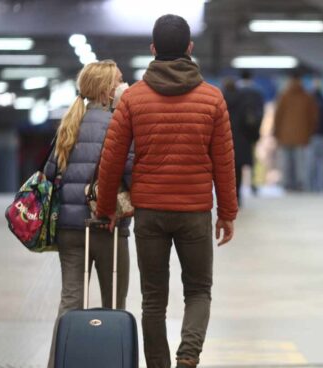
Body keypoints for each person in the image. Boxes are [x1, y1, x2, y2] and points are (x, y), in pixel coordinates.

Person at [94, 15, 238, 368]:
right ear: (190, 49)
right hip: (194, 212)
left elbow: (111, 160)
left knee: (153, 300)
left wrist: (106, 206)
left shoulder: (133, 100)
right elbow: (224, 162)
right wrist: (228, 213)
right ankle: (188, 357)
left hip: (150, 213)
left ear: (153, 49)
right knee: (198, 291)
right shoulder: (212, 99)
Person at [43, 60, 132, 368]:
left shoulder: (69, 122)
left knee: (69, 302)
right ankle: (112, 360)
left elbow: (50, 174)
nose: (125, 86)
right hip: (109, 227)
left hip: (70, 229)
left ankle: (60, 362)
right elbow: (131, 171)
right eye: (120, 81)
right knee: (114, 304)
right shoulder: (120, 124)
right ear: (109, 90)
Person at [274, 71, 318, 191]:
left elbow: (278, 116)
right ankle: (300, 184)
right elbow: (313, 117)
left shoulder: (283, 96)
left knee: (287, 162)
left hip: (284, 135)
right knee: (300, 163)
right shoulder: (307, 97)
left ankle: (288, 184)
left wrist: (276, 133)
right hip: (302, 136)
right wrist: (309, 133)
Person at [227, 71, 264, 204]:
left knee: (228, 168)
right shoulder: (253, 94)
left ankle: (229, 196)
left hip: (227, 137)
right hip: (243, 137)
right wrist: (255, 135)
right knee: (240, 167)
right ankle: (239, 194)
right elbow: (254, 117)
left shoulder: (224, 97)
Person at [307, 78, 323, 192]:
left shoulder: (309, 100)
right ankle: (321, 186)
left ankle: (311, 186)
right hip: (322, 135)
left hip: (311, 136)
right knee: (322, 162)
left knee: (311, 162)